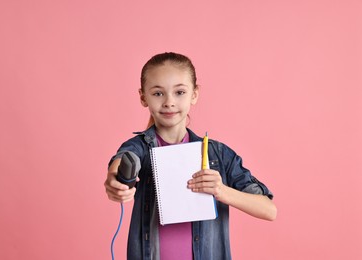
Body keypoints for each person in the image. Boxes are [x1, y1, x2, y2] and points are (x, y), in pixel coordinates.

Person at [104, 52, 277, 260]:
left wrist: (221, 191)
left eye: (179, 92)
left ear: (194, 94)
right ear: (143, 97)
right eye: (158, 93)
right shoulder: (140, 148)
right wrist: (117, 183)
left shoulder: (218, 155)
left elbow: (269, 210)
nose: (169, 102)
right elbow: (122, 161)